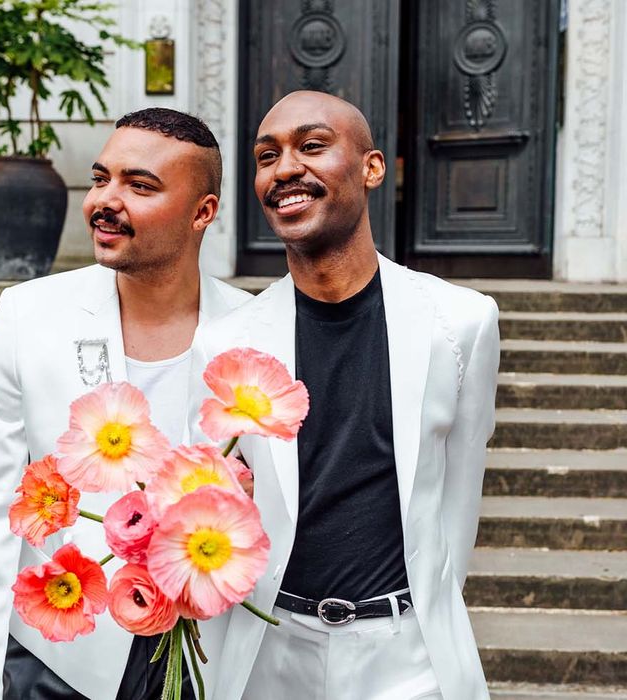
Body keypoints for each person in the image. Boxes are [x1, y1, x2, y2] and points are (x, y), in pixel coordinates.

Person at [190, 91, 500, 700]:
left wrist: (425, 612)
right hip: (270, 653)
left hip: (410, 658)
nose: (284, 170)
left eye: (311, 146)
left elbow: (459, 503)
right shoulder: (225, 344)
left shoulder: (461, 324)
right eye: (265, 156)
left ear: (371, 167)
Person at [0, 108, 250, 700]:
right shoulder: (28, 317)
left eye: (140, 185)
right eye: (102, 178)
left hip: (211, 660)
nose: (106, 199)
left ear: (203, 212)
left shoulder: (257, 334)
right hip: (55, 657)